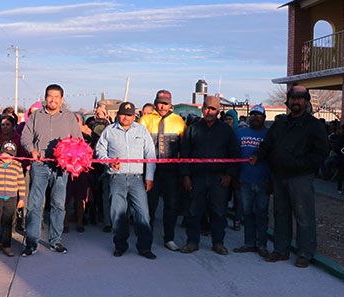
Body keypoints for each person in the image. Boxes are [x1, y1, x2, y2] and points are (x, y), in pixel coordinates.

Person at [250, 85, 329, 268]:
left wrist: (303, 165)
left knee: (303, 216)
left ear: (306, 101)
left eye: (300, 98)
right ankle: (281, 250)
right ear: (288, 101)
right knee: (280, 214)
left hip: (300, 177)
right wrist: (257, 156)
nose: (296, 101)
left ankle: (305, 253)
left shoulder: (313, 125)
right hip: (279, 176)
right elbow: (267, 145)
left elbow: (322, 151)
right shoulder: (280, 123)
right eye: (293, 98)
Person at [20, 84, 82, 256]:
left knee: (58, 204)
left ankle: (55, 240)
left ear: (61, 99)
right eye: (50, 96)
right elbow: (25, 137)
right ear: (45, 97)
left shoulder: (69, 117)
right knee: (35, 204)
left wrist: (70, 155)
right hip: (40, 165)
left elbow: (78, 140)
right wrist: (32, 150)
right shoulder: (35, 116)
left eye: (56, 96)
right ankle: (31, 242)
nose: (53, 99)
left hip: (62, 168)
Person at [179, 96, 241, 255]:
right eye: (206, 108)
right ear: (202, 109)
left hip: (219, 179)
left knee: (219, 212)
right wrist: (185, 175)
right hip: (196, 178)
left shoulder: (226, 131)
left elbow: (235, 154)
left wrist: (229, 174)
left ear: (218, 110)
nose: (209, 111)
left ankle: (218, 243)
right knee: (194, 211)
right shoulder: (192, 128)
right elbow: (185, 154)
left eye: (213, 109)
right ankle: (192, 242)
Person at [96, 102, 157, 258]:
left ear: (134, 116)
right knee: (118, 213)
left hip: (137, 178)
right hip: (117, 178)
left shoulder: (141, 130)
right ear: (118, 115)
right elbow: (99, 150)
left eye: (129, 115)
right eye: (123, 114)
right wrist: (108, 160)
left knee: (143, 213)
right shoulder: (109, 131)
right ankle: (120, 245)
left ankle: (144, 248)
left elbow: (150, 154)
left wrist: (149, 177)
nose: (126, 117)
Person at [139, 90, 186, 251]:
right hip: (151, 170)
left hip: (171, 171)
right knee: (150, 205)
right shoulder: (145, 119)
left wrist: (184, 171)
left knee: (171, 205)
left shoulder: (179, 121)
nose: (162, 106)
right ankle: (147, 237)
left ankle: (169, 238)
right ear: (155, 102)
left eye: (166, 103)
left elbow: (184, 148)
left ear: (170, 104)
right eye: (160, 102)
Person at [233, 104, 270, 258]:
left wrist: (271, 180)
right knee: (247, 212)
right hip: (244, 180)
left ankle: (262, 245)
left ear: (264, 118)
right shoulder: (240, 133)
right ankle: (249, 243)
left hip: (263, 180)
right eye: (253, 114)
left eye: (259, 115)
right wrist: (235, 177)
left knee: (261, 213)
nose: (255, 117)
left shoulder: (270, 135)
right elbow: (234, 156)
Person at [0, 141, 26, 257]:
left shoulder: (17, 166)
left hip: (11, 198)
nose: (7, 157)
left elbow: (21, 183)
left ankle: (6, 245)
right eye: (5, 153)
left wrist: (21, 198)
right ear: (1, 153)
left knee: (8, 223)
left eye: (10, 154)